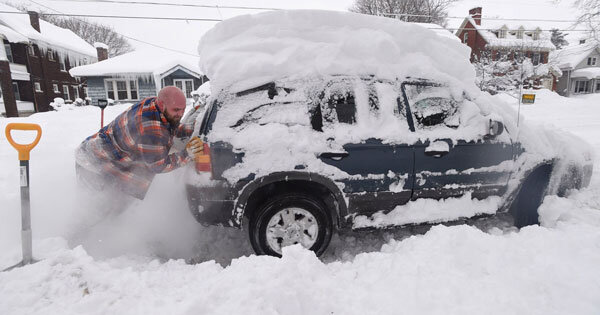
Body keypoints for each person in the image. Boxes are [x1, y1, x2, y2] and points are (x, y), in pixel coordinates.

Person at [75, 86, 204, 208]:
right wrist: (187, 154)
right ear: (161, 104)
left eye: (183, 109)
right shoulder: (151, 129)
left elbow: (169, 125)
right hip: (93, 164)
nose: (180, 114)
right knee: (100, 211)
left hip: (104, 154)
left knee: (118, 206)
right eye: (176, 110)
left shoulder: (155, 104)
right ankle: (75, 231)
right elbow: (159, 165)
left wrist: (193, 128)